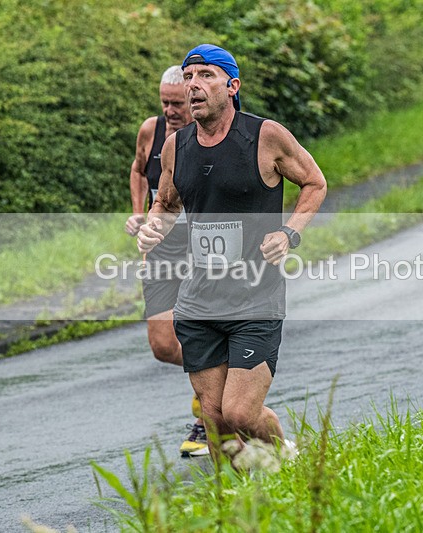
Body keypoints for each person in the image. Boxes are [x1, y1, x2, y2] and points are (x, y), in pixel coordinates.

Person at [137, 44, 327, 457]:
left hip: (255, 296)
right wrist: (153, 228)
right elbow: (165, 203)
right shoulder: (176, 146)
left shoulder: (265, 137)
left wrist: (289, 233)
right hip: (200, 300)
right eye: (188, 77)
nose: (193, 86)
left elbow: (314, 182)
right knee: (217, 421)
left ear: (232, 85)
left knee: (240, 413)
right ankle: (241, 501)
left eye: (205, 75)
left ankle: (284, 458)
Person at [124, 66, 208, 457]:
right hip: (161, 248)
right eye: (165, 102)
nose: (171, 110)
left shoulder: (210, 136)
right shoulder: (150, 130)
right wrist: (139, 213)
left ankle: (212, 414)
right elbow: (139, 170)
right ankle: (213, 386)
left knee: (198, 329)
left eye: (178, 103)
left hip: (201, 248)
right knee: (162, 344)